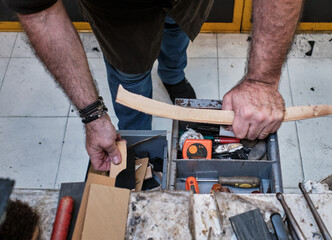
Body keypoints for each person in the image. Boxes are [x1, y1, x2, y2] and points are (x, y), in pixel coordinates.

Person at [4, 0, 303, 171]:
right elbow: (39, 12)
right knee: (131, 78)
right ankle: (141, 144)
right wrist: (93, 116)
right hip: (118, 13)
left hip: (186, 2)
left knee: (176, 37)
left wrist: (262, 80)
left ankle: (172, 77)